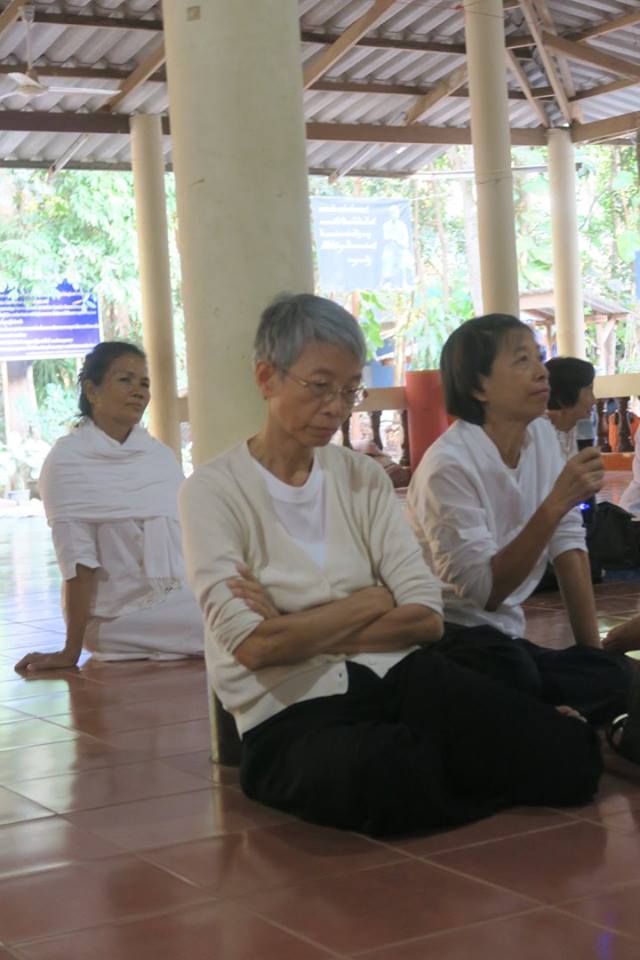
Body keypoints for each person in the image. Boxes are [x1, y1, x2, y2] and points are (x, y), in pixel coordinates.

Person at [179, 294, 601, 838]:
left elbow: (425, 616)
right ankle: (474, 764)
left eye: (349, 389)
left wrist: (292, 621)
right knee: (392, 773)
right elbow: (255, 648)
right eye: (319, 386)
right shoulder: (211, 492)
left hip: (399, 674)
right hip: (291, 711)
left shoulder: (362, 477)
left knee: (572, 757)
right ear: (267, 377)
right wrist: (374, 599)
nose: (335, 407)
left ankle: (472, 761)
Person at [406, 314, 632, 727]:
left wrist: (592, 654)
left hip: (505, 638)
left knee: (615, 677)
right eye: (522, 360)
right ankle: (544, 719)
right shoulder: (449, 466)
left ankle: (543, 716)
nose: (542, 372)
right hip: (448, 636)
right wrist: (556, 503)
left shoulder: (540, 436)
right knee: (512, 670)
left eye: (539, 358)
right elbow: (484, 594)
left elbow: (568, 542)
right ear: (479, 387)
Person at [15, 341, 203, 672]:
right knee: (234, 621)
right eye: (125, 380)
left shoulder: (158, 457)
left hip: (177, 595)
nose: (138, 391)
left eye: (144, 383)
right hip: (116, 617)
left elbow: (189, 540)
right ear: (92, 391)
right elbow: (77, 562)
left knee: (259, 598)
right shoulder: (67, 461)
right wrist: (70, 651)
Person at [545, 357, 596, 461]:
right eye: (589, 390)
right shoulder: (538, 435)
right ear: (566, 395)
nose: (594, 401)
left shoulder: (578, 431)